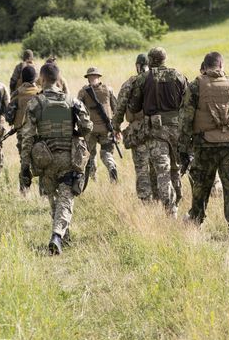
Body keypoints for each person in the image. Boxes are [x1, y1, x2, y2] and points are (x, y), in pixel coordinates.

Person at [178, 52, 229, 240]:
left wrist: (183, 148)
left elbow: (185, 119)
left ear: (204, 67)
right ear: (221, 65)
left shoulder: (196, 85)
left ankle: (196, 220)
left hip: (204, 145)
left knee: (201, 185)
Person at [19, 63, 93, 255]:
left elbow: (27, 136)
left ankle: (61, 236)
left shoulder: (36, 103)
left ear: (41, 79)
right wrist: (75, 131)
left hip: (45, 157)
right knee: (66, 197)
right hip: (69, 156)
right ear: (58, 79)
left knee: (53, 197)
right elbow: (87, 126)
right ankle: (58, 235)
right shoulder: (71, 101)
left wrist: (25, 166)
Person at [127, 47, 187, 217]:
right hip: (176, 130)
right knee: (176, 168)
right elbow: (187, 102)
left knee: (162, 171)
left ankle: (171, 209)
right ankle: (177, 200)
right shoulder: (178, 76)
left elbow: (134, 106)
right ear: (164, 59)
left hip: (155, 131)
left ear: (150, 60)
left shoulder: (144, 78)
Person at [113, 54, 158, 202]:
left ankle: (146, 201)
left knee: (142, 168)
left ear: (138, 66)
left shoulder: (130, 82)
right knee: (158, 166)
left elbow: (120, 107)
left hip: (138, 130)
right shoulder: (159, 80)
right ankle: (160, 198)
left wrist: (116, 126)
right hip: (159, 129)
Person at [77, 67, 119, 182]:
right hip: (106, 128)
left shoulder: (83, 92)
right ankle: (111, 166)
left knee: (91, 154)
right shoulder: (108, 89)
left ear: (88, 78)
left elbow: (77, 110)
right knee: (106, 152)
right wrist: (116, 128)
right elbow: (116, 108)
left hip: (90, 130)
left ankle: (93, 178)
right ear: (98, 77)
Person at [4, 65, 40, 192]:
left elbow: (9, 116)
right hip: (39, 132)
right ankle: (43, 191)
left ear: (22, 78)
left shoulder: (17, 93)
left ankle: (24, 190)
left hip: (22, 132)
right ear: (35, 78)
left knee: (24, 161)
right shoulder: (40, 93)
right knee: (41, 160)